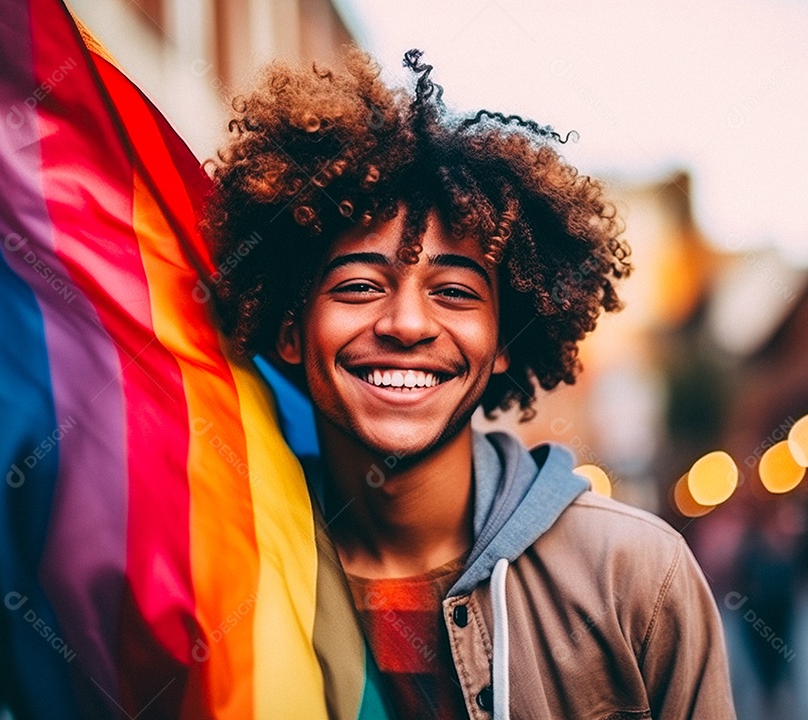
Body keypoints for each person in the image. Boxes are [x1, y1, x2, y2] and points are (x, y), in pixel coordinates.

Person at [203, 47, 736, 720]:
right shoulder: (217, 571)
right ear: (289, 329)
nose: (405, 324)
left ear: (506, 340)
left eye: (454, 292)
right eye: (360, 286)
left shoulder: (636, 576)